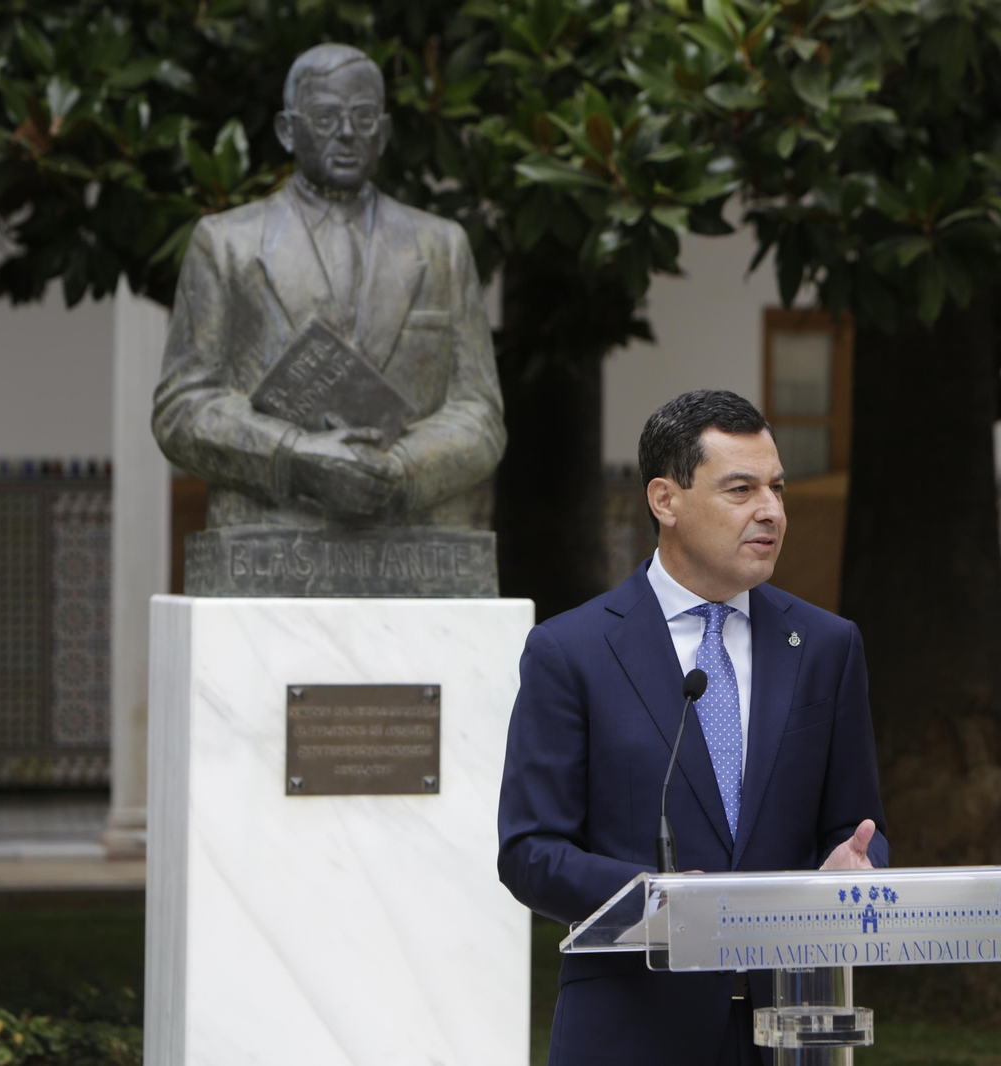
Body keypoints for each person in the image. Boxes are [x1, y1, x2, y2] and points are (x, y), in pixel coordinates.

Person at [497, 389, 888, 1065]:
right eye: (740, 489)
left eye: (776, 488)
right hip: (631, 1031)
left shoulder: (826, 646)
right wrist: (657, 900)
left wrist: (855, 867)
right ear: (664, 501)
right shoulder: (573, 651)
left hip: (791, 1027)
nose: (770, 510)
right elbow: (531, 851)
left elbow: (857, 828)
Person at [153, 43, 504, 528]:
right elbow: (181, 407)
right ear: (287, 130)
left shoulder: (442, 247)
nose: (345, 133)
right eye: (324, 117)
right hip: (269, 533)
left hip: (410, 542)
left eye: (362, 117)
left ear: (382, 134)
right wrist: (294, 458)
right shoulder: (226, 244)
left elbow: (479, 411)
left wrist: (400, 469)